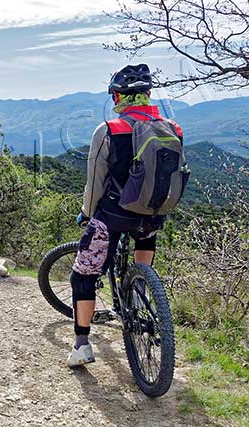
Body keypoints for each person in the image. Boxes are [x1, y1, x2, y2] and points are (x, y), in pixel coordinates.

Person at [67, 64, 183, 367]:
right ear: (147, 95)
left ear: (117, 96)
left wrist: (86, 214)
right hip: (153, 215)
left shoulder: (108, 130)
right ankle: (140, 289)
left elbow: (95, 182)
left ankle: (81, 344)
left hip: (114, 215)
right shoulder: (173, 128)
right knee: (145, 236)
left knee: (83, 274)